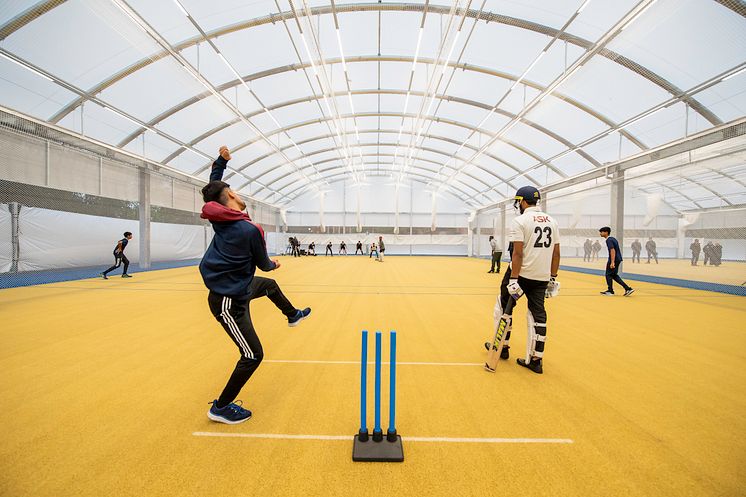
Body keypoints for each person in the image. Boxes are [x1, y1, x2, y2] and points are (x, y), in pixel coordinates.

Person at [199, 146, 311, 424]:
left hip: (242, 286)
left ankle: (292, 314)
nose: (238, 193)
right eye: (234, 191)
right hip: (228, 301)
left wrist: (221, 163)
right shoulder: (248, 229)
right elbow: (263, 264)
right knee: (252, 355)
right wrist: (273, 263)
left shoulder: (221, 218)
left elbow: (214, 189)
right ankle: (220, 408)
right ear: (232, 197)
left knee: (270, 286)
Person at [483, 186, 560, 375]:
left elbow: (517, 253)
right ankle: (536, 359)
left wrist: (514, 279)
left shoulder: (520, 221)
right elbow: (556, 253)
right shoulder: (552, 221)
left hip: (521, 274)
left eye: (518, 202)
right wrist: (552, 277)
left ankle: (502, 347)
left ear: (523, 201)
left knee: (502, 308)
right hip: (541, 277)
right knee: (537, 315)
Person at [599, 227, 634, 297]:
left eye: (601, 232)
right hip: (617, 259)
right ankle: (628, 288)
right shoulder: (613, 239)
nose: (600, 233)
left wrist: (612, 262)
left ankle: (610, 291)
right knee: (614, 275)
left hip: (614, 259)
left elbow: (612, 250)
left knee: (608, 275)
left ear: (606, 232)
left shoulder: (609, 240)